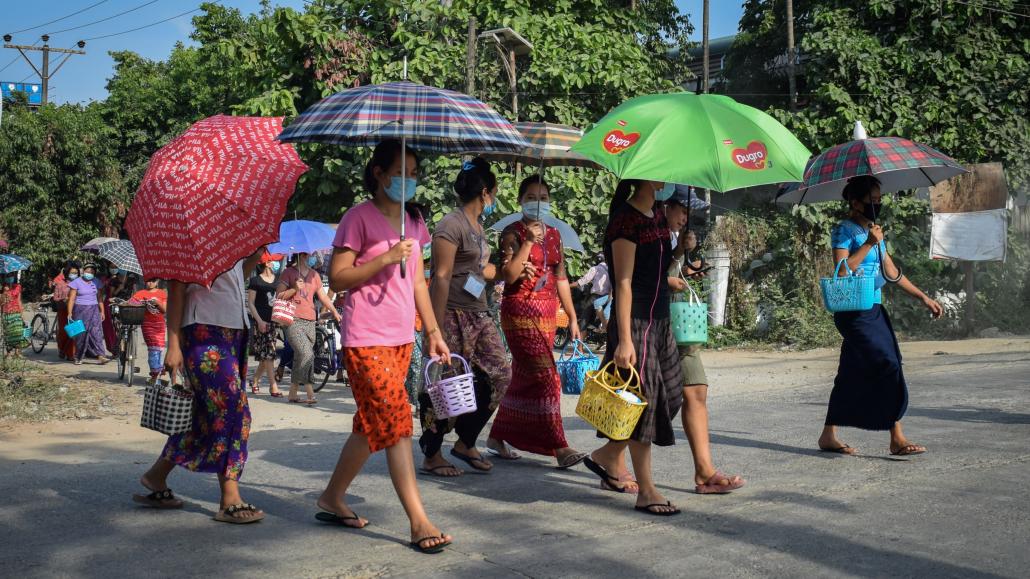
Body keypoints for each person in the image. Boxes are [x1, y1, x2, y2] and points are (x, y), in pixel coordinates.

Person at [318, 139, 452, 554]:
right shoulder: (357, 218)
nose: (408, 180)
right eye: (400, 172)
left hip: (400, 338)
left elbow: (417, 282)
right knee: (396, 423)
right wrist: (383, 258)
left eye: (414, 173)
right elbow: (338, 277)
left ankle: (331, 497)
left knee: (371, 423)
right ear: (378, 173)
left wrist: (433, 332)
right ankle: (419, 519)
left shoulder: (415, 223)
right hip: (365, 338)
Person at [133, 251, 266, 524]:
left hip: (234, 332)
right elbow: (177, 290)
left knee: (204, 416)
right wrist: (173, 345)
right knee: (234, 414)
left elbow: (234, 279)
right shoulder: (191, 237)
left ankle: (156, 477)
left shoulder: (228, 236)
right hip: (203, 333)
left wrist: (254, 253)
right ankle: (230, 498)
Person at [819, 176, 943, 456]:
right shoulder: (844, 231)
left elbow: (891, 272)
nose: (877, 205)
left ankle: (828, 435)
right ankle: (896, 436)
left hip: (873, 308)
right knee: (888, 363)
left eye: (879, 200)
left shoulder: (877, 235)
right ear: (855, 203)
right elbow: (841, 271)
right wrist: (867, 244)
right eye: (872, 201)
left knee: (849, 372)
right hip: (853, 313)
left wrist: (923, 297)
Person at [583, 179, 685, 516]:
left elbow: (657, 271)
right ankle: (647, 489)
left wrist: (681, 249)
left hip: (660, 321)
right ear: (645, 173)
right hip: (635, 323)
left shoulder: (656, 213)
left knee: (672, 393)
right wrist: (624, 340)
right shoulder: (625, 221)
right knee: (644, 401)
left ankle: (609, 456)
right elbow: (623, 284)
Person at [486, 175, 587, 469]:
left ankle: (497, 436)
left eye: (543, 197)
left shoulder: (555, 235)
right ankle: (559, 446)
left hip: (546, 314)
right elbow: (509, 275)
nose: (538, 202)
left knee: (524, 378)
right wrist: (528, 243)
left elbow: (561, 278)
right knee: (547, 378)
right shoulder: (512, 232)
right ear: (520, 201)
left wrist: (572, 316)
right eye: (531, 196)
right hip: (519, 312)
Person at [421, 158, 512, 476]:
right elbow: (442, 276)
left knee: (500, 374)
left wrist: (505, 269)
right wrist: (435, 328)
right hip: (452, 314)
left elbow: (477, 271)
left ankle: (466, 441)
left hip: (479, 313)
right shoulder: (451, 225)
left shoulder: (478, 228)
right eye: (495, 193)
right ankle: (432, 453)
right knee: (446, 386)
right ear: (486, 192)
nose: (495, 199)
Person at [664, 190, 745, 494]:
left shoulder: (674, 238)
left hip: (681, 328)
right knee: (649, 399)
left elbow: (670, 274)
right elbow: (645, 278)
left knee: (697, 390)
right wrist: (673, 271)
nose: (685, 217)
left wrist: (685, 268)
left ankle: (705, 471)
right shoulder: (652, 233)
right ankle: (611, 460)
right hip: (656, 327)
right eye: (681, 211)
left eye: (688, 213)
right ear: (666, 206)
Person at [277, 252, 340, 404]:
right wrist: (293, 288)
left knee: (301, 356)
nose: (313, 257)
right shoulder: (288, 273)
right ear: (303, 255)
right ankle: (310, 393)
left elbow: (323, 296)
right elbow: (279, 295)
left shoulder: (314, 275)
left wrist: (334, 311)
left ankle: (292, 393)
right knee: (307, 354)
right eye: (310, 254)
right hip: (293, 319)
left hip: (310, 320)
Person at [247, 255, 283, 397]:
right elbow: (251, 303)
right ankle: (273, 385)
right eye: (273, 261)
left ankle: (255, 380)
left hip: (274, 321)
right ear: (267, 263)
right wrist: (259, 321)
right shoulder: (255, 281)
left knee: (266, 354)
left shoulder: (279, 280)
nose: (276, 263)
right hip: (261, 322)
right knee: (270, 354)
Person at [66, 264, 110, 365]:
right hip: (80, 309)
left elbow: (99, 298)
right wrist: (69, 312)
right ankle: (78, 357)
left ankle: (101, 356)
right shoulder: (76, 282)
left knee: (96, 333)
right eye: (88, 271)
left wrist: (102, 311)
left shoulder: (97, 282)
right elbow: (71, 298)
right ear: (83, 271)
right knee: (81, 334)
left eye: (92, 272)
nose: (89, 274)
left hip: (94, 309)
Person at [131, 279, 168, 384]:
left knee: (160, 348)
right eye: (148, 281)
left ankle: (157, 372)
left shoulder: (162, 293)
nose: (150, 283)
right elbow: (131, 303)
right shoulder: (140, 293)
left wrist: (157, 302)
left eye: (153, 281)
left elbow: (164, 310)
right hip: (147, 324)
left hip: (160, 324)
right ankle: (155, 372)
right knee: (153, 348)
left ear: (157, 282)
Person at [571, 254, 612, 332]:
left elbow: (582, 282)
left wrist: (567, 285)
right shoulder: (610, 270)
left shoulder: (595, 269)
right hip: (606, 297)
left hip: (595, 297)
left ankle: (581, 341)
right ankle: (600, 326)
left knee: (584, 319)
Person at [52, 261, 79, 361]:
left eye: (76, 273)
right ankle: (62, 350)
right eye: (72, 272)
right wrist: (64, 300)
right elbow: (56, 298)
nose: (74, 275)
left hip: (76, 310)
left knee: (74, 331)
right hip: (63, 310)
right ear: (67, 273)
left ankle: (71, 353)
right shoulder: (60, 284)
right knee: (64, 332)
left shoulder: (79, 283)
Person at [1, 272, 28, 354]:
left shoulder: (17, 287)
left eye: (11, 275)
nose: (10, 277)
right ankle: (8, 353)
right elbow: (1, 302)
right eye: (8, 275)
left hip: (16, 312)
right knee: (8, 333)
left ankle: (17, 352)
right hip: (6, 312)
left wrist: (22, 313)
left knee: (18, 332)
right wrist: (4, 292)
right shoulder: (3, 288)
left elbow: (19, 301)